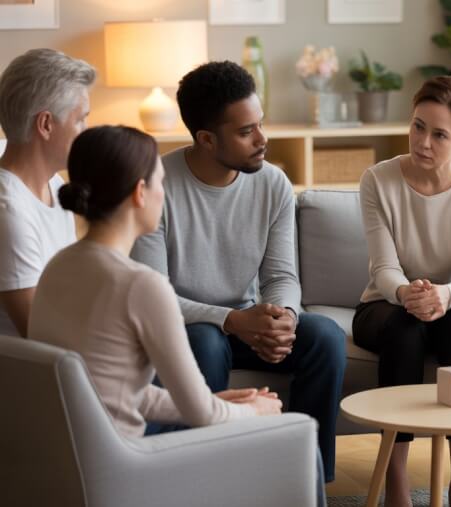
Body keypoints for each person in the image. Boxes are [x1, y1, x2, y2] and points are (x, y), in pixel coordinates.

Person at [130, 61, 346, 483]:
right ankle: (209, 477)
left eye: (260, 124)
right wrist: (231, 319)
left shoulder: (273, 184)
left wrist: (283, 317)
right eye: (247, 131)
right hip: (191, 326)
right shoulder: (156, 185)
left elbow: (282, 275)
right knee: (205, 342)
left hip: (250, 320)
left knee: (326, 337)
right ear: (207, 139)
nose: (262, 139)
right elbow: (154, 296)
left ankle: (306, 476)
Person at [29, 125, 282, 436]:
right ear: (139, 193)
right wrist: (256, 410)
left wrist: (217, 403)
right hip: (126, 465)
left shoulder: (58, 265)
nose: (165, 192)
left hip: (68, 458)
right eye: (161, 182)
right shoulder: (141, 285)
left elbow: (117, 390)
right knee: (297, 436)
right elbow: (204, 416)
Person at [353, 76, 451, 507]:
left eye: (439, 134)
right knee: (404, 328)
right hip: (385, 305)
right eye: (418, 126)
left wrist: (445, 295)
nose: (423, 142)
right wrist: (407, 294)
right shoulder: (378, 180)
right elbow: (383, 268)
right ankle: (396, 485)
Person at [0, 48, 95, 337]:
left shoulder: (54, 185)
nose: (86, 130)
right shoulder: (9, 211)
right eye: (80, 119)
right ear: (45, 124)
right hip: (36, 374)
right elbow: (39, 334)